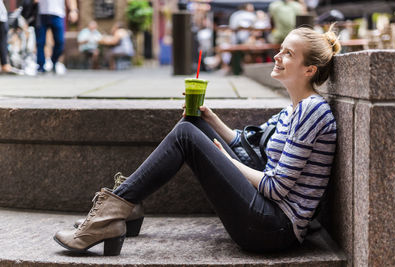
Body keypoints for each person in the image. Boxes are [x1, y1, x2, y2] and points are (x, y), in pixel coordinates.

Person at [54, 25, 341, 255]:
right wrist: (210, 118)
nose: (277, 56)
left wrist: (225, 161)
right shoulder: (293, 109)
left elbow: (277, 188)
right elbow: (247, 144)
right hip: (266, 213)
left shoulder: (311, 111)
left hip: (274, 228)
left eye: (288, 53)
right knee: (192, 123)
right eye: (280, 49)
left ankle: (113, 214)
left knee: (186, 135)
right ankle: (124, 207)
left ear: (309, 70)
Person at [36, 0, 78, 74]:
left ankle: (54, 61)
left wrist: (73, 10)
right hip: (41, 14)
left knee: (60, 41)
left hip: (58, 14)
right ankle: (41, 66)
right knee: (40, 42)